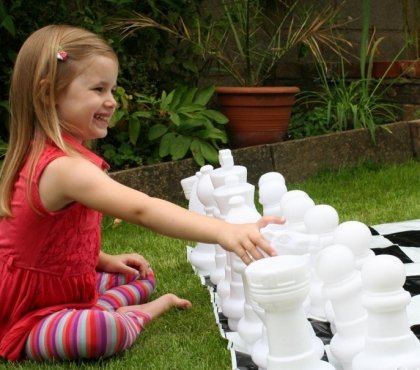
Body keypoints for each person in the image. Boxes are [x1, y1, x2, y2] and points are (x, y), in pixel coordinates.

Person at [0, 24, 284, 362]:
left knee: (139, 276)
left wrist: (103, 260)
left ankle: (103, 304)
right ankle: (135, 314)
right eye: (98, 89)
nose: (111, 101)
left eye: (112, 89)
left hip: (60, 286)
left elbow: (47, 242)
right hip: (25, 309)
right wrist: (224, 231)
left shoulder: (52, 155)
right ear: (49, 94)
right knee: (98, 332)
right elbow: (142, 209)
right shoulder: (64, 169)